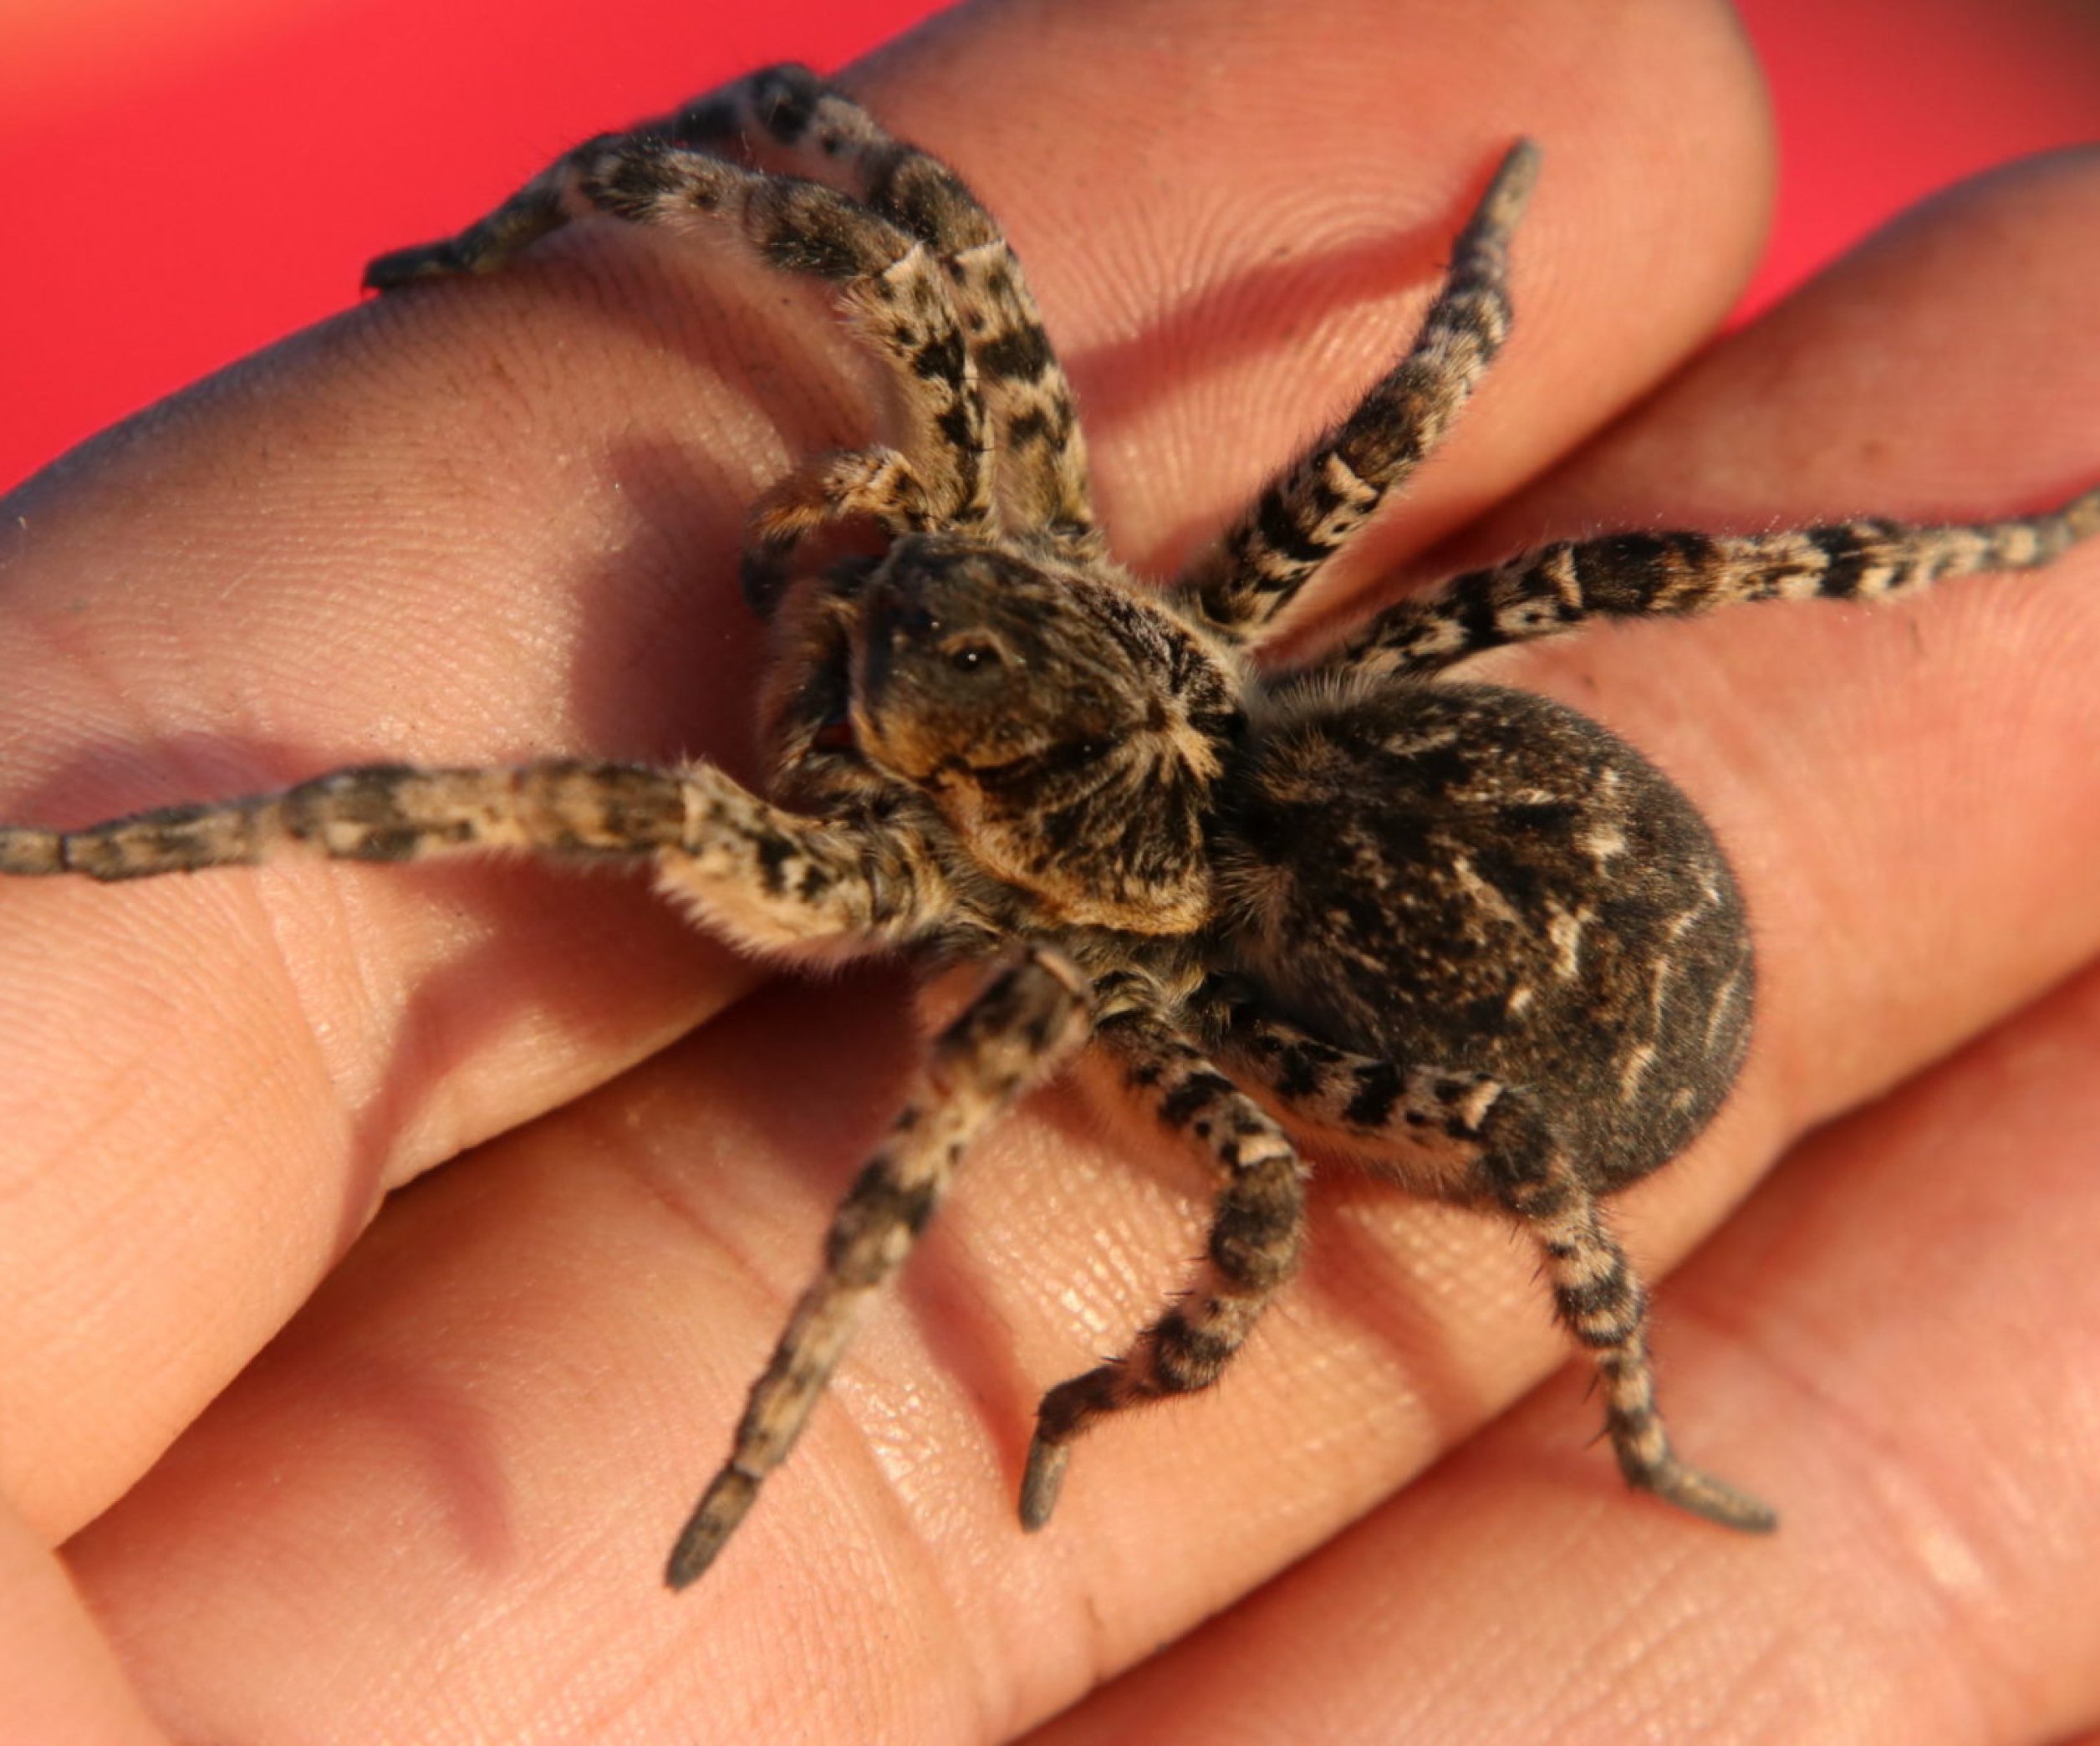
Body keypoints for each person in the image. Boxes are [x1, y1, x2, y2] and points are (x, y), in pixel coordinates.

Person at [3, 0, 2097, 1736]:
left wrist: (945, 1382)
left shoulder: (1064, 976)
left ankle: (2008, 555)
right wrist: (543, 225)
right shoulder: (1022, 504)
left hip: (1361, 941)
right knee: (915, 225)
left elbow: (923, 1153)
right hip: (1365, 767)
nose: (880, 615)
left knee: (1301, 1149)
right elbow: (862, 192)